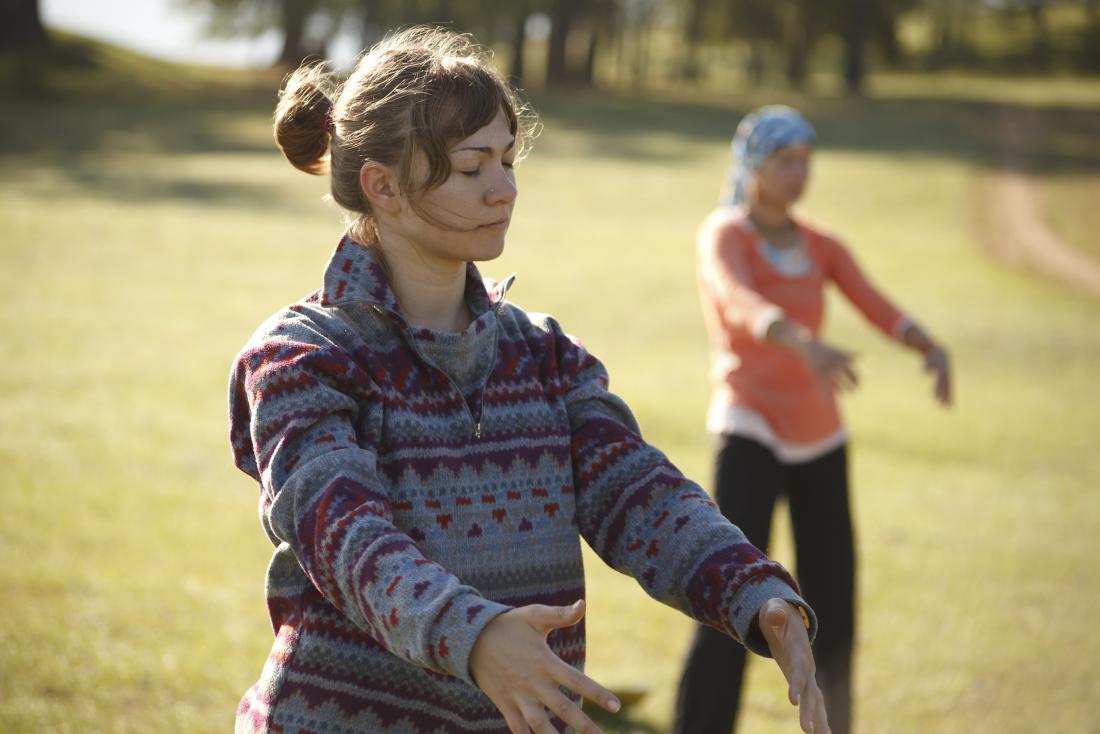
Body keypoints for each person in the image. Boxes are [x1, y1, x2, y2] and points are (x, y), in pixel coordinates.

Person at [228, 30, 833, 734]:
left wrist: (754, 592)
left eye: (509, 160)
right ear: (383, 186)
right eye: (471, 167)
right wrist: (476, 637)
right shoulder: (303, 357)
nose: (505, 187)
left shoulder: (545, 356)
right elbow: (347, 539)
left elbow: (641, 494)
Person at [672, 105, 953, 734]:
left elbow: (873, 300)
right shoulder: (727, 233)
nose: (801, 173)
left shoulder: (821, 243)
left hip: (819, 435)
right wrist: (801, 341)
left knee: (833, 598)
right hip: (749, 427)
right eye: (787, 161)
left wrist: (925, 343)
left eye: (807, 161)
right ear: (755, 167)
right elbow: (739, 301)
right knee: (729, 590)